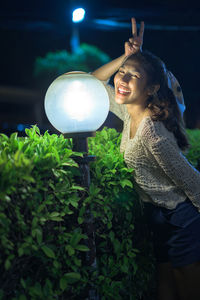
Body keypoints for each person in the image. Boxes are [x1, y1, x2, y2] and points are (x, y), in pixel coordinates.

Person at [91, 17, 200, 300]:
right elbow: (93, 82)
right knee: (163, 280)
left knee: (183, 282)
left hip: (182, 215)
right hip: (158, 215)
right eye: (122, 73)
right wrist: (126, 57)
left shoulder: (153, 134)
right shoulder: (130, 112)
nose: (122, 79)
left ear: (151, 89)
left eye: (133, 76)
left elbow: (191, 181)